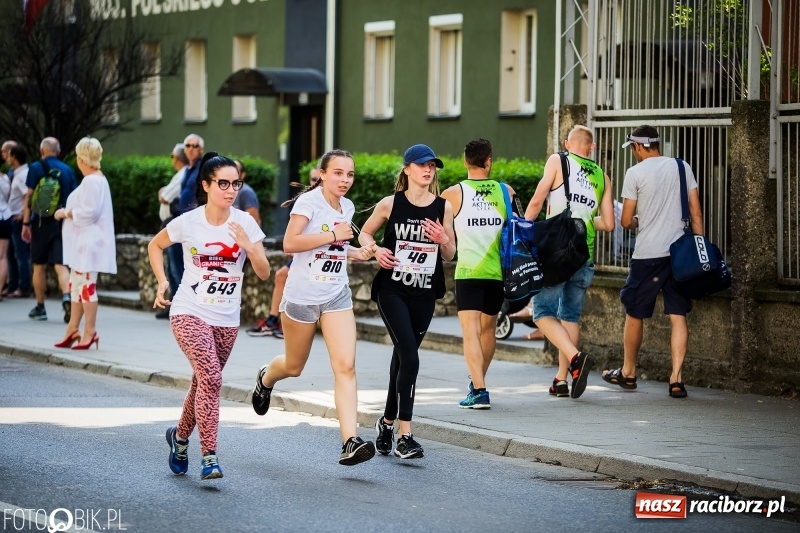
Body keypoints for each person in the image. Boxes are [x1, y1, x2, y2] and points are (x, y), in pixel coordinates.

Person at [250, 149, 377, 466]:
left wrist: (354, 253)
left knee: (346, 366)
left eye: (349, 174)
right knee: (294, 367)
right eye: (338, 173)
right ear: (322, 173)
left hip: (336, 294)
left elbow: (335, 247)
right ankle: (266, 378)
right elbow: (290, 244)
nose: (345, 180)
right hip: (302, 297)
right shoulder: (309, 203)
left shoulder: (347, 207)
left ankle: (350, 441)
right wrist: (332, 233)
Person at [149, 152, 271, 480]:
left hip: (227, 319)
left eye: (235, 183)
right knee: (213, 379)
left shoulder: (245, 223)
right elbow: (155, 246)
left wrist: (249, 244)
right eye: (223, 183)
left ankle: (179, 438)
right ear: (206, 185)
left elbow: (263, 272)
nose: (231, 190)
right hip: (189, 310)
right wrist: (163, 282)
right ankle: (209, 455)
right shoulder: (189, 222)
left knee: (202, 381)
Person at [358, 144, 456, 459]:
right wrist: (377, 251)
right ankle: (405, 434)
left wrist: (443, 240)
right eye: (422, 165)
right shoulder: (391, 203)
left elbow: (451, 253)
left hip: (424, 292)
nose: (428, 170)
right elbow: (364, 234)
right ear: (407, 169)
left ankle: (385, 423)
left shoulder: (444, 207)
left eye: (433, 166)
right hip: (392, 290)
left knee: (402, 358)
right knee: (411, 358)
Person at [602, 125, 703, 399]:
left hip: (648, 255)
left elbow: (625, 221)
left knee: (635, 312)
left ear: (637, 146)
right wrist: (699, 248)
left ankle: (629, 372)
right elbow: (696, 213)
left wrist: (640, 221)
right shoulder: (682, 167)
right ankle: (676, 379)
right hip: (680, 255)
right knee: (678, 314)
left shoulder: (635, 173)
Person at [524, 125, 614, 399]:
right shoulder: (603, 176)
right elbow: (608, 223)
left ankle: (575, 358)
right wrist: (585, 220)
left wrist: (522, 232)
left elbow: (538, 199)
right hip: (583, 256)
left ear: (567, 143)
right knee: (570, 316)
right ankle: (562, 379)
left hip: (556, 253)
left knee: (541, 313)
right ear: (592, 147)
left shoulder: (558, 160)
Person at [441, 139, 511, 409]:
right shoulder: (506, 191)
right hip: (496, 272)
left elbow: (445, 238)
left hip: (468, 271)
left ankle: (479, 389)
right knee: (488, 330)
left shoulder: (452, 194)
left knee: (470, 332)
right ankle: (478, 382)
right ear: (489, 161)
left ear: (464, 161)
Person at [52, 137, 117, 350]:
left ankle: (89, 330)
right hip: (85, 244)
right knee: (77, 286)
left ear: (82, 158)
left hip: (89, 244)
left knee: (86, 287)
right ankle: (73, 328)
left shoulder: (91, 181)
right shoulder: (97, 179)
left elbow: (89, 213)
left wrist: (66, 212)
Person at [246, 166, 321, 338]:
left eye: (319, 179)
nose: (316, 183)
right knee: (281, 276)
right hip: (303, 254)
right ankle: (274, 320)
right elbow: (293, 236)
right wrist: (296, 246)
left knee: (288, 278)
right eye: (313, 180)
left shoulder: (335, 204)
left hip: (319, 257)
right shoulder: (306, 200)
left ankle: (283, 322)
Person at [21, 137, 77, 322]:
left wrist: (26, 224)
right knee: (61, 265)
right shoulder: (68, 170)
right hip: (62, 223)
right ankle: (67, 297)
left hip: (40, 223)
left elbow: (29, 197)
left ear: (41, 150)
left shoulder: (36, 168)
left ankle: (40, 307)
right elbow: (74, 200)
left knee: (39, 266)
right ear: (58, 151)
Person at [155, 144, 189, 319]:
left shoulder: (182, 174)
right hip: (173, 227)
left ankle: (177, 305)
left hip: (176, 228)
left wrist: (163, 192)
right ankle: (173, 304)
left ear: (176, 158)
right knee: (172, 268)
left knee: (176, 268)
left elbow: (164, 196)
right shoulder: (183, 174)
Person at [4, 143, 31, 298]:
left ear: (14, 157)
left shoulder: (22, 175)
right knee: (11, 254)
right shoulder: (17, 173)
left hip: (17, 219)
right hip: (12, 218)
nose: (7, 158)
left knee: (20, 254)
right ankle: (13, 284)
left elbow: (27, 195)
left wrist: (23, 214)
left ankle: (23, 286)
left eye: (9, 155)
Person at [232, 160, 261, 226]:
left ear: (243, 175)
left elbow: (254, 221)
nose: (232, 172)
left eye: (236, 169)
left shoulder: (246, 192)